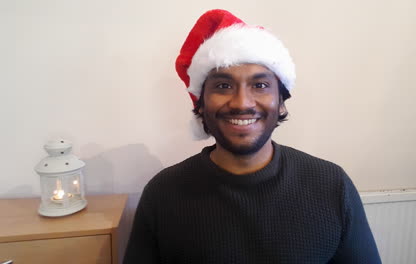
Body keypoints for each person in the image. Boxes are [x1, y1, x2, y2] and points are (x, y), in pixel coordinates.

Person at [124, 9, 381, 264]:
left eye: (259, 85)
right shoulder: (163, 192)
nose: (242, 103)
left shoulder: (332, 186)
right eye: (223, 86)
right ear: (201, 104)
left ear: (281, 102)